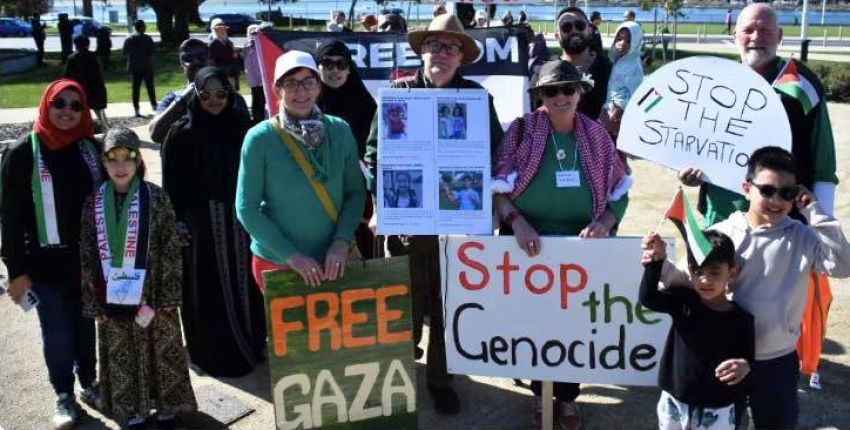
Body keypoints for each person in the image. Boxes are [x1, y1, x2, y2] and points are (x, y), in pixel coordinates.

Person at [364, 13, 504, 415]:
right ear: (421, 52)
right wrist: (380, 204)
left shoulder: (477, 100)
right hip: (408, 220)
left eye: (450, 47)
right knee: (403, 299)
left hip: (455, 227)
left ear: (461, 57)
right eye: (434, 46)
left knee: (447, 304)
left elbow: (495, 156)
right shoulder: (398, 94)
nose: (440, 54)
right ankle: (401, 369)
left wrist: (488, 204)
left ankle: (441, 379)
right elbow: (374, 155)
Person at [659, 146, 850, 429]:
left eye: (786, 193)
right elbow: (688, 281)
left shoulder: (802, 237)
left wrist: (814, 210)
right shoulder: (724, 232)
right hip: (724, 356)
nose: (776, 200)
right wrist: (659, 264)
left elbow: (843, 265)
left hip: (776, 359)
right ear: (746, 188)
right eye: (768, 190)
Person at [491, 60, 630, 430]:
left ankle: (568, 398)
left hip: (580, 249)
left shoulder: (598, 136)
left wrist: (603, 223)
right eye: (551, 90)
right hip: (527, 244)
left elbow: (620, 194)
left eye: (568, 88)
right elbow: (496, 191)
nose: (560, 97)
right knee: (534, 324)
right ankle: (540, 392)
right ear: (540, 95)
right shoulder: (520, 131)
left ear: (581, 92)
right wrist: (516, 221)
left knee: (575, 325)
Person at [1, 79, 102, 430]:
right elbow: (10, 219)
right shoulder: (22, 153)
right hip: (45, 264)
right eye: (60, 103)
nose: (67, 112)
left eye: (77, 105)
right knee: (57, 332)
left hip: (87, 262)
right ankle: (63, 394)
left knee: (85, 327)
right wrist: (16, 271)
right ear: (46, 104)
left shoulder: (89, 148)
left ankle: (89, 382)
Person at [679, 4, 837, 227]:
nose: (756, 37)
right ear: (735, 36)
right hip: (720, 215)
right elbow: (695, 143)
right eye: (748, 30)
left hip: (780, 218)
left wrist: (822, 223)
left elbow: (824, 165)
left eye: (765, 31)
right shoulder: (714, 83)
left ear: (780, 36)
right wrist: (688, 171)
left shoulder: (802, 88)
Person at [80, 127, 197, 430]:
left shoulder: (155, 197)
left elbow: (170, 245)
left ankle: (168, 407)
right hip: (113, 299)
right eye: (112, 159)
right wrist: (95, 304)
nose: (120, 167)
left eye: (127, 158)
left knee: (161, 349)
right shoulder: (93, 204)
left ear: (138, 160)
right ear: (103, 163)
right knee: (123, 354)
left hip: (154, 295)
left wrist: (170, 295)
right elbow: (88, 254)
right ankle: (133, 411)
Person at [161, 67, 265, 377]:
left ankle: (252, 343)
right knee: (206, 291)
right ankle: (209, 353)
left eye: (222, 93)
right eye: (205, 94)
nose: (214, 100)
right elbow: (171, 188)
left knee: (247, 286)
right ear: (195, 93)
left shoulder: (243, 129)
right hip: (200, 228)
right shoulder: (181, 134)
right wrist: (177, 224)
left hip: (241, 223)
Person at [236, 50, 365, 291]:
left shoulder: (340, 131)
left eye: (308, 82)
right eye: (291, 83)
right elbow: (247, 209)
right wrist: (291, 255)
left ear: (318, 86)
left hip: (333, 260)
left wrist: (341, 241)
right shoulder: (259, 139)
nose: (301, 91)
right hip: (279, 262)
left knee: (340, 330)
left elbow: (355, 193)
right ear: (278, 90)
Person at [640, 230, 754, 430]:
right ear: (690, 271)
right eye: (698, 272)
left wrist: (744, 364)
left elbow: (747, 357)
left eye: (714, 272)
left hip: (717, 406)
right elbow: (648, 298)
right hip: (674, 399)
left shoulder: (742, 319)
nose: (705, 280)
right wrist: (655, 263)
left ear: (732, 273)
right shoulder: (683, 300)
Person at [314, 39, 378, 258]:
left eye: (342, 64)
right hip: (319, 194)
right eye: (327, 63)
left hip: (359, 196)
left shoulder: (366, 105)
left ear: (350, 69)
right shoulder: (306, 106)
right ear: (317, 67)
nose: (335, 70)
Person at [533, 7, 611, 119]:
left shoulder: (610, 70)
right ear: (557, 36)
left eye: (580, 25)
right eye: (566, 28)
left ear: (589, 31)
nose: (574, 31)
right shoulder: (543, 73)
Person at [149, 38, 217, 144]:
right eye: (188, 58)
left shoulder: (227, 97)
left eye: (202, 56)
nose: (196, 61)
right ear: (182, 66)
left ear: (211, 61)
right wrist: (183, 99)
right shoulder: (172, 99)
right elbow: (156, 136)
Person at [601, 22, 644, 139]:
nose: (622, 43)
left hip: (617, 115)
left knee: (615, 149)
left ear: (635, 42)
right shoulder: (618, 59)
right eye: (619, 38)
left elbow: (635, 93)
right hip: (608, 108)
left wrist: (620, 108)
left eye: (628, 41)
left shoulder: (634, 66)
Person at [64, 34, 109, 128]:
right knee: (100, 112)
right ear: (88, 44)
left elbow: (67, 76)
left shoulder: (72, 58)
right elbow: (100, 72)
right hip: (95, 88)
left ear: (75, 45)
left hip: (80, 89)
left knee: (80, 112)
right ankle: (106, 128)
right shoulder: (94, 56)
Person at [122, 19, 157, 117]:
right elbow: (152, 52)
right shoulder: (148, 39)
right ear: (142, 27)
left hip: (134, 66)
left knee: (135, 89)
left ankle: (136, 109)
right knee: (150, 87)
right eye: (144, 26)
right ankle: (154, 105)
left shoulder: (129, 39)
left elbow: (124, 52)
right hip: (146, 66)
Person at [244, 24, 268, 124]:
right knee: (256, 98)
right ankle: (256, 118)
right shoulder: (248, 46)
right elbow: (247, 63)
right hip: (253, 77)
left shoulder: (262, 44)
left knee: (262, 98)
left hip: (262, 77)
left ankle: (263, 117)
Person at [209, 18, 241, 91]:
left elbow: (235, 56)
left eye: (224, 29)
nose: (223, 31)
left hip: (232, 71)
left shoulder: (228, 42)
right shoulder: (213, 44)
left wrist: (236, 55)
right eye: (220, 29)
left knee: (233, 91)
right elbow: (211, 60)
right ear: (215, 31)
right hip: (222, 71)